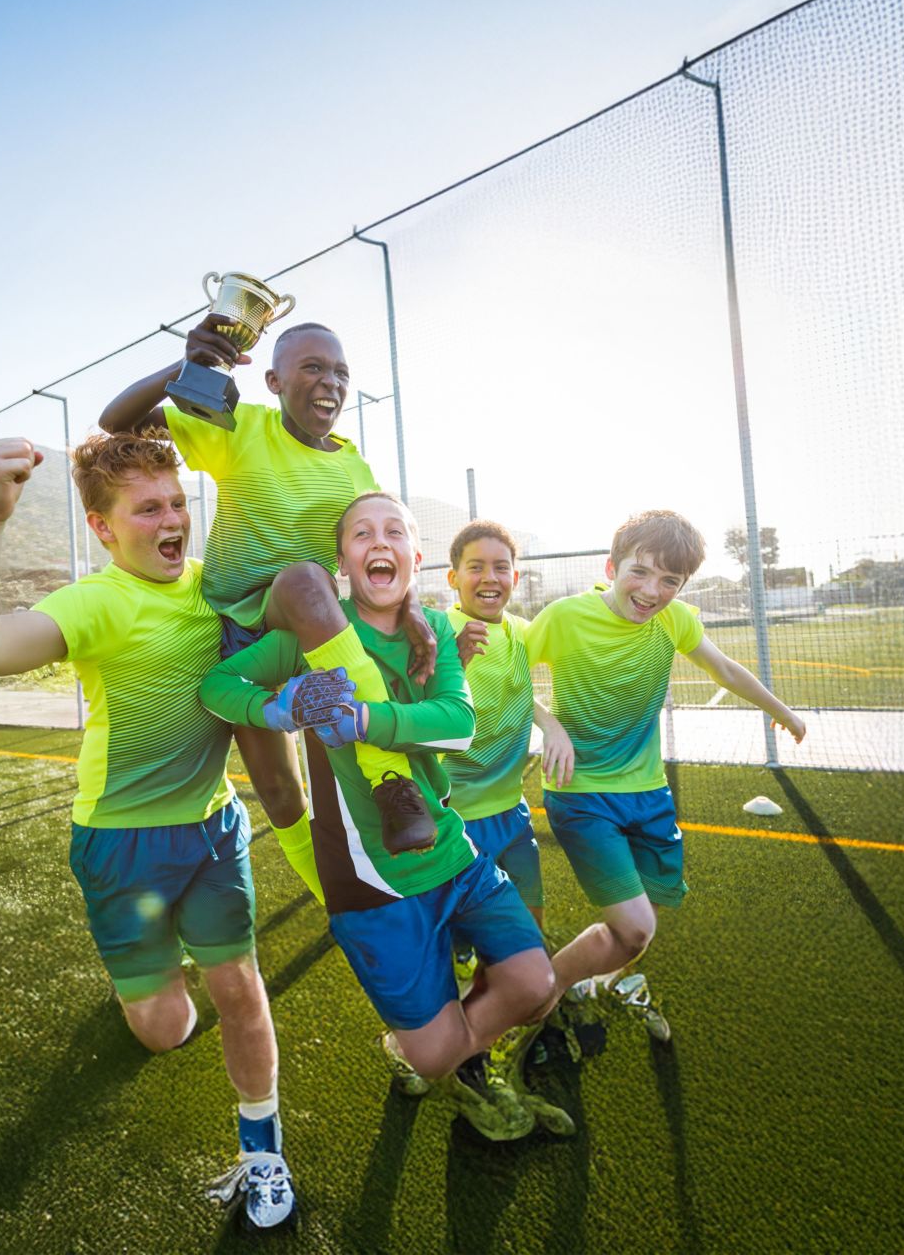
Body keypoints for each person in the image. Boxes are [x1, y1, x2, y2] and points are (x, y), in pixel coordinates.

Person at [0, 431, 294, 1230]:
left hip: (211, 832)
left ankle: (262, 1151)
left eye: (177, 503)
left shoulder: (221, 592)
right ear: (104, 529)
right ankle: (145, 977)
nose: (172, 520)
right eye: (147, 509)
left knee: (238, 988)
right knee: (168, 1030)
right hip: (120, 848)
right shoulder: (94, 602)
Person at [199, 492, 555, 1141]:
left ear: (416, 559)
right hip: (373, 885)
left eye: (394, 531)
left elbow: (456, 722)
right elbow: (217, 688)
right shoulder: (302, 644)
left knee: (536, 983)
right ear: (342, 561)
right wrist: (280, 708)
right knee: (434, 1053)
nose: (378, 540)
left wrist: (367, 719)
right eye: (361, 533)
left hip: (451, 850)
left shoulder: (436, 635)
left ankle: (448, 1040)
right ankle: (431, 1048)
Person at [100, 318, 441, 898]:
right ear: (274, 381)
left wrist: (411, 608)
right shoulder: (238, 428)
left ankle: (394, 782)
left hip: (310, 629)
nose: (329, 381)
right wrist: (188, 366)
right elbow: (117, 422)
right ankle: (337, 899)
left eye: (340, 372)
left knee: (307, 582)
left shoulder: (354, 469)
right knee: (282, 795)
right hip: (238, 638)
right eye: (312, 367)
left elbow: (379, 551)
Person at [528, 509, 806, 1043]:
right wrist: (550, 725)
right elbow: (508, 678)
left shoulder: (674, 621)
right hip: (582, 794)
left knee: (648, 912)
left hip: (650, 794)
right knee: (635, 928)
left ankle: (603, 981)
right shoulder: (565, 616)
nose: (652, 591)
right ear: (612, 565)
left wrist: (782, 709)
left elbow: (724, 668)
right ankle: (549, 988)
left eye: (669, 581)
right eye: (641, 572)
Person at [443, 520, 567, 931]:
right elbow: (417, 706)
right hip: (456, 816)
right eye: (475, 566)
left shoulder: (521, 632)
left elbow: (517, 690)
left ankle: (531, 980)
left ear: (514, 576)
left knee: (530, 916)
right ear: (453, 578)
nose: (490, 577)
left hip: (512, 810)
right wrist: (454, 664)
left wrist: (551, 725)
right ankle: (463, 972)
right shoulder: (437, 632)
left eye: (501, 567)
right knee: (463, 926)